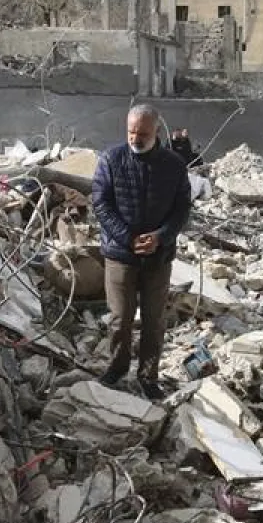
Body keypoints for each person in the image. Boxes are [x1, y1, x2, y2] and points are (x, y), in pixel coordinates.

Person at [91, 104, 192, 399]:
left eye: (143, 133)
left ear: (156, 131)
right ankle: (117, 368)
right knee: (120, 318)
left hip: (158, 258)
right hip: (120, 254)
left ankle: (148, 376)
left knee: (153, 319)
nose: (136, 138)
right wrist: (127, 237)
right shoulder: (111, 159)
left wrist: (160, 237)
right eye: (131, 132)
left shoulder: (173, 164)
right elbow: (101, 202)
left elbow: (182, 208)